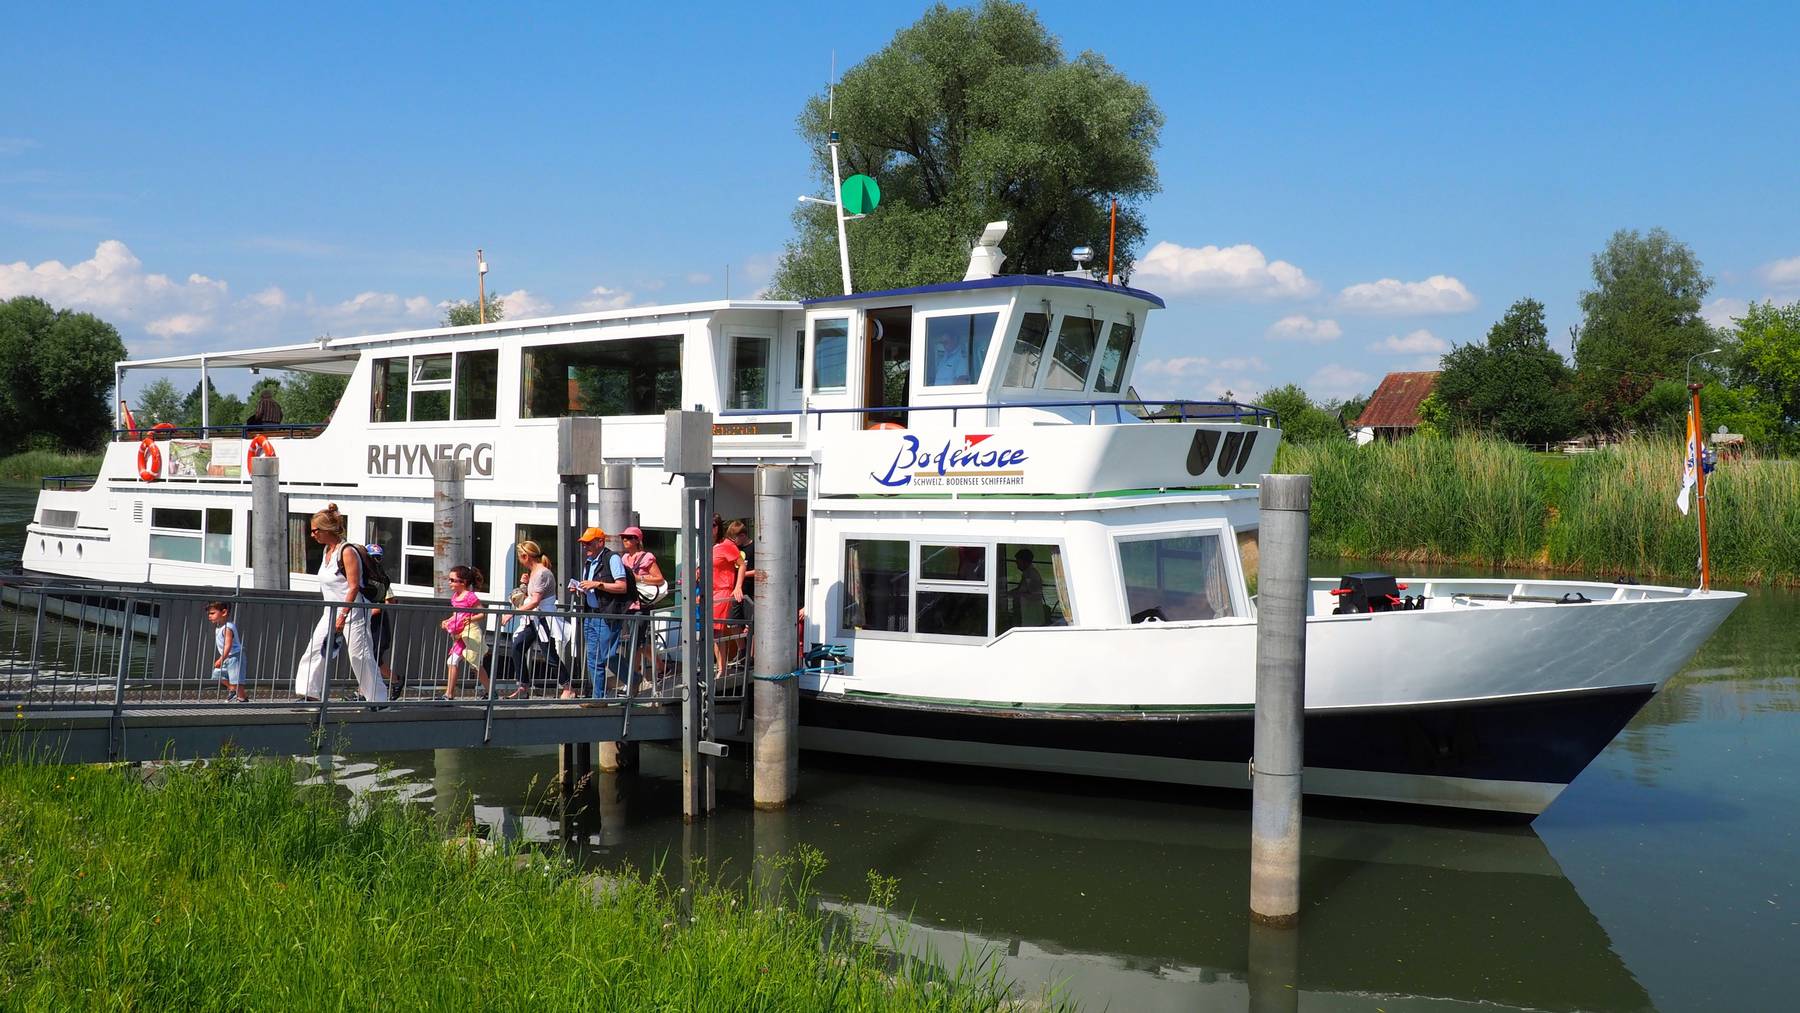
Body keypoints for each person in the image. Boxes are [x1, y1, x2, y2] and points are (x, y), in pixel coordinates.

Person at [292, 504, 389, 703]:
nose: (312, 535)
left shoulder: (347, 551)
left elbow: (353, 587)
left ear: (327, 530)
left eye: (315, 530)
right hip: (330, 610)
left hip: (352, 612)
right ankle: (309, 694)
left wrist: (343, 616)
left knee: (359, 656)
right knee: (315, 649)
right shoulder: (327, 550)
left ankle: (378, 700)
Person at [572, 527, 632, 699]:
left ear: (600, 542)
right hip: (590, 614)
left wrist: (596, 584)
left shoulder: (612, 559)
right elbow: (590, 587)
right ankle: (598, 698)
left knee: (608, 655)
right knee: (592, 657)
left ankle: (633, 678)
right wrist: (579, 588)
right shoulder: (589, 561)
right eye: (584, 544)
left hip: (607, 614)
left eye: (588, 543)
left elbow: (622, 586)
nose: (585, 547)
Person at [499, 540, 562, 698]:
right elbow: (530, 596)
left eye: (520, 557)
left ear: (525, 556)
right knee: (517, 647)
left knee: (549, 654)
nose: (519, 561)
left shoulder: (541, 573)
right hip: (534, 619)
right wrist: (524, 584)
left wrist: (512, 613)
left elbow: (535, 601)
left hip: (543, 619)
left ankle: (567, 686)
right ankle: (523, 686)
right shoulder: (535, 573)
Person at [440, 564, 487, 700]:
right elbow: (456, 614)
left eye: (453, 580)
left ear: (463, 582)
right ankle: (490, 691)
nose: (450, 583)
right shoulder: (455, 597)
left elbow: (482, 613)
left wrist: (469, 619)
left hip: (469, 634)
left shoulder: (469, 596)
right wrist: (448, 621)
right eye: (450, 579)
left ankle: (449, 694)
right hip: (460, 634)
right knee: (471, 664)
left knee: (458, 661)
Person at [712, 517, 748, 676]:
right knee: (714, 632)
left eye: (713, 525)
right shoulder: (714, 546)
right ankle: (721, 667)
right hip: (712, 592)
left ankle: (722, 668)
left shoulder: (728, 546)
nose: (710, 528)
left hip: (723, 591)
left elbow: (742, 564)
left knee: (718, 631)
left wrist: (738, 586)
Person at [363, 543, 398, 693]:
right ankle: (364, 690)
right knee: (367, 656)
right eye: (372, 558)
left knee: (373, 657)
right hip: (365, 621)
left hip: (378, 623)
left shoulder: (381, 577)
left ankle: (394, 680)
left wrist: (370, 612)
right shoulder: (363, 575)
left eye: (378, 558)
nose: (375, 561)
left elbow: (389, 602)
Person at [207, 600, 247, 702]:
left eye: (212, 613)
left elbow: (228, 645)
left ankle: (242, 698)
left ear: (224, 612)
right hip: (227, 657)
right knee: (217, 674)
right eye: (209, 614)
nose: (209, 616)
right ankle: (233, 691)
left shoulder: (227, 628)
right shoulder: (219, 627)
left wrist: (221, 659)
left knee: (236, 680)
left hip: (235, 656)